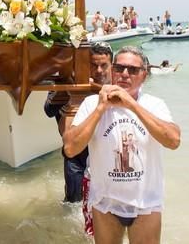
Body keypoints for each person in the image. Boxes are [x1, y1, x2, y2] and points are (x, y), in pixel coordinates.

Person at [63, 46, 181, 244]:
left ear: (144, 75)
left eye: (133, 70)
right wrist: (101, 108)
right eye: (119, 68)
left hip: (146, 203)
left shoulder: (154, 104)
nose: (125, 74)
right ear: (112, 71)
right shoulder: (92, 104)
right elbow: (71, 148)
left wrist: (132, 105)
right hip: (105, 203)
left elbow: (173, 141)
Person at [44, 42, 113, 205]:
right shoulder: (68, 83)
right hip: (76, 156)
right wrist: (73, 89)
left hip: (106, 153)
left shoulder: (118, 87)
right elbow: (48, 110)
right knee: (72, 206)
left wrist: (94, 88)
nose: (99, 71)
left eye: (104, 66)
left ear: (112, 65)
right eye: (93, 65)